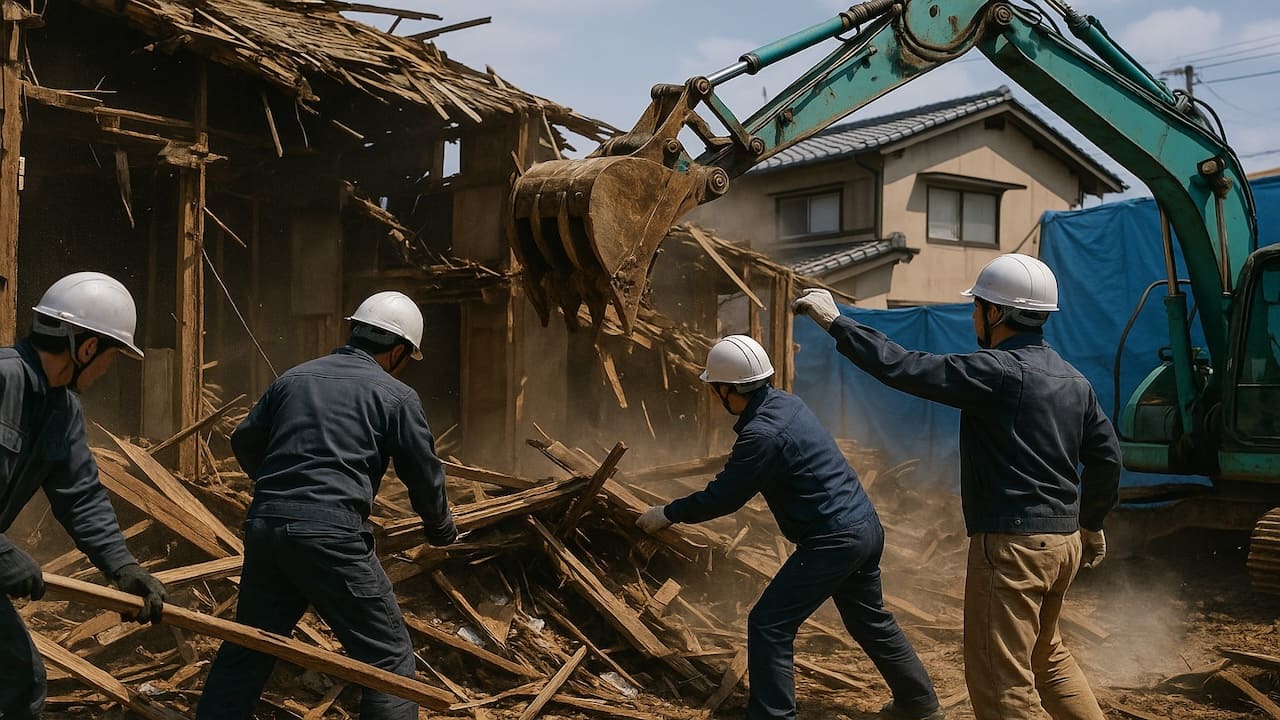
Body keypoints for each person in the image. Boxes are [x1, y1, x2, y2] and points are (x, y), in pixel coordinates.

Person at [793, 253, 1121, 720]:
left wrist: (837, 323)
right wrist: (1091, 524)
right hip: (1063, 544)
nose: (972, 317)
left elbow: (904, 366)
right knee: (1048, 658)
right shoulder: (1074, 381)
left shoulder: (998, 372)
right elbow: (1108, 458)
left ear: (996, 313)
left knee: (1002, 684)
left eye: (976, 307)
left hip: (1014, 549)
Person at [635, 335, 944, 720]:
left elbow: (724, 497)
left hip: (834, 539)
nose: (715, 396)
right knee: (870, 620)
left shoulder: (761, 434)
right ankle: (919, 703)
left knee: (769, 623)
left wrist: (668, 512)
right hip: (863, 527)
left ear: (728, 389)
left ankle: (772, 715)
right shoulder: (786, 404)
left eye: (716, 388)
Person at [197, 291, 458, 720]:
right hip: (331, 534)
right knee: (388, 660)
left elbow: (244, 440)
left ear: (355, 330)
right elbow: (423, 474)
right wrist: (441, 530)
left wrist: (275, 485)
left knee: (251, 646)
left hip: (266, 528)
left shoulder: (293, 379)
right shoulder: (397, 396)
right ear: (397, 351)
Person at [0, 271, 167, 719]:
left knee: (17, 678)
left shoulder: (61, 408)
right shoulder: (3, 379)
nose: (107, 370)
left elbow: (80, 496)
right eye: (111, 357)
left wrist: (123, 567)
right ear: (87, 347)